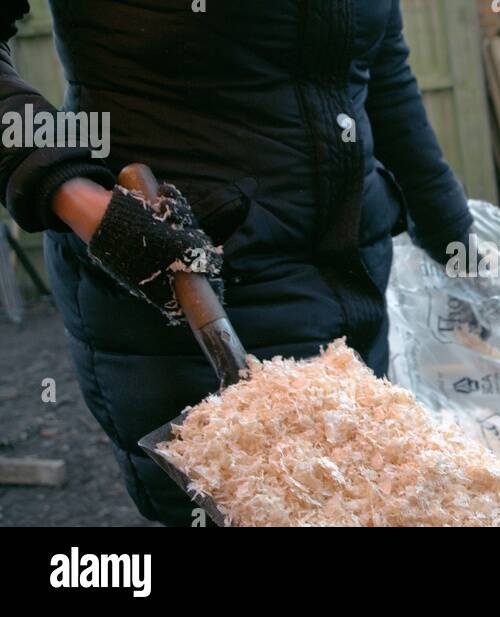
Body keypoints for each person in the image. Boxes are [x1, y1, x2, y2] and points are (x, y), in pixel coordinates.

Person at [0, 1, 473, 526]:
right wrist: (71, 192)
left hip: (348, 292)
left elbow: (378, 67)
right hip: (183, 286)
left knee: (358, 501)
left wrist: (457, 238)